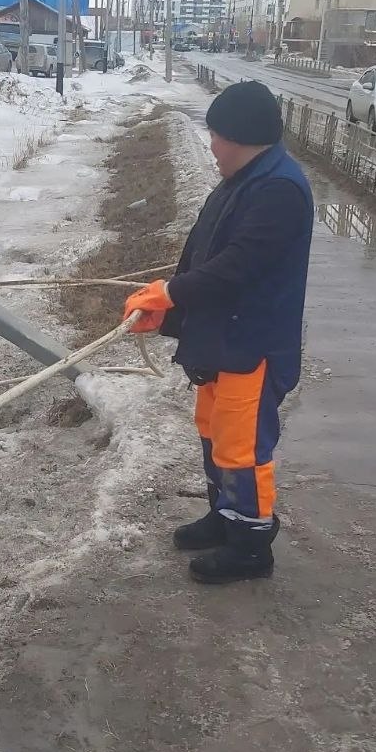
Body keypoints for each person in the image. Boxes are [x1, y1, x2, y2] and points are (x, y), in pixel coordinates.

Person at [123, 80, 314, 585]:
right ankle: (224, 516)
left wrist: (171, 293)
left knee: (242, 447)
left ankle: (251, 546)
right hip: (221, 339)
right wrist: (170, 312)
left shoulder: (278, 191)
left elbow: (236, 267)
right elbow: (203, 254)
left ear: (241, 136)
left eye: (216, 134)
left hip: (252, 342)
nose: (210, 145)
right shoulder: (243, 179)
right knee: (213, 432)